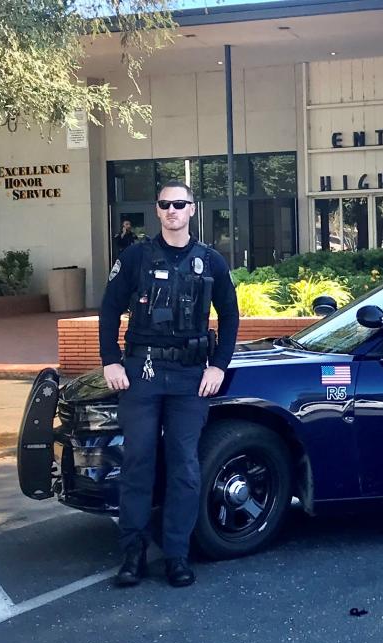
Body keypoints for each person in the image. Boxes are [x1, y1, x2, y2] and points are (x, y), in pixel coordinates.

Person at [99, 181, 240, 588]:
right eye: (165, 204)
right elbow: (109, 309)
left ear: (193, 210)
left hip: (189, 379)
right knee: (138, 462)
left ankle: (177, 555)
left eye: (181, 204)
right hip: (142, 372)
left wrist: (218, 366)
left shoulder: (210, 261)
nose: (173, 210)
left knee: (185, 466)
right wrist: (110, 360)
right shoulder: (136, 257)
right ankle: (133, 553)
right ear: (157, 211)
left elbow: (229, 316)